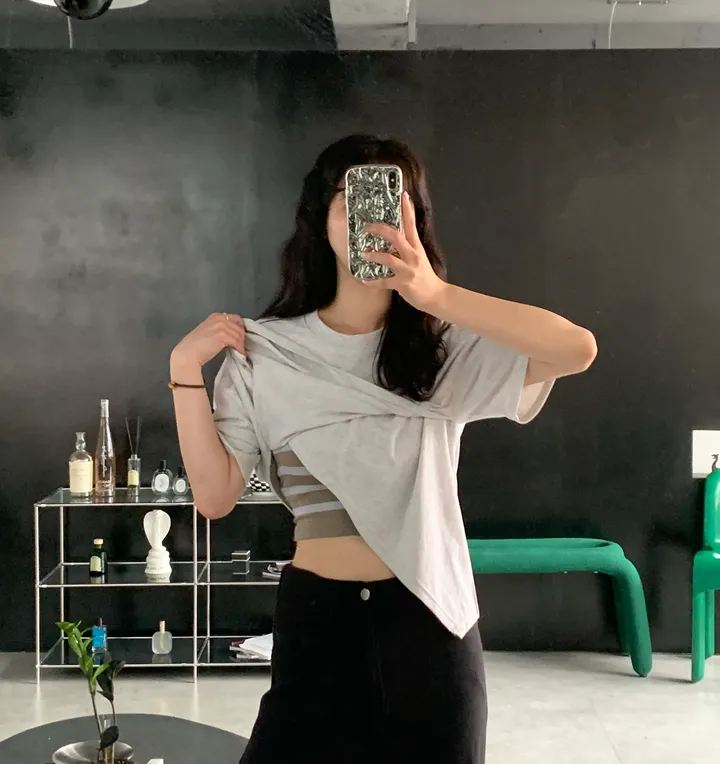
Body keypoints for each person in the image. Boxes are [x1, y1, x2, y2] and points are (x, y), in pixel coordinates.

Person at [169, 134, 597, 764]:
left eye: (391, 198)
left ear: (415, 220)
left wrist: (437, 296)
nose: (370, 213)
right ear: (321, 219)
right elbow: (214, 496)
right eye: (350, 195)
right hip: (318, 619)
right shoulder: (267, 353)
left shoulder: (443, 347)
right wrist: (183, 372)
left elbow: (577, 349)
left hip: (428, 620)